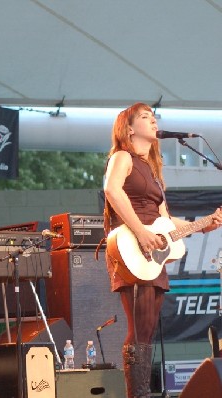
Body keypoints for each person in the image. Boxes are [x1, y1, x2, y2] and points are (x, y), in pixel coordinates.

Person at [103, 103, 222, 397]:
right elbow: (112, 190)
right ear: (129, 128)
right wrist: (142, 232)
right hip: (131, 244)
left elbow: (167, 222)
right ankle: (138, 394)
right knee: (139, 329)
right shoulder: (122, 156)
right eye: (146, 117)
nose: (153, 121)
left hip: (151, 250)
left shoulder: (153, 171)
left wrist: (205, 224)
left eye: (154, 117)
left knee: (147, 327)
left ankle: (140, 391)